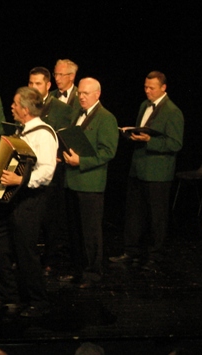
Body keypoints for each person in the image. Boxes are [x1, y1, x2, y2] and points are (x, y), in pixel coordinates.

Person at [0, 87, 57, 317]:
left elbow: (47, 171)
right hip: (11, 199)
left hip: (30, 199)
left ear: (25, 109)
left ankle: (38, 301)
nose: (12, 107)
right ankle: (8, 295)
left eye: (15, 104)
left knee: (25, 251)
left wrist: (20, 180)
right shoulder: (21, 131)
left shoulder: (44, 134)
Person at [110, 71, 184, 271]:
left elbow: (175, 144)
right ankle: (131, 251)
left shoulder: (172, 111)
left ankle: (155, 255)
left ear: (163, 88)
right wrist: (131, 134)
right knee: (134, 213)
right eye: (145, 87)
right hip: (138, 168)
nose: (147, 91)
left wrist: (150, 140)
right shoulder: (144, 105)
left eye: (152, 88)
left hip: (158, 173)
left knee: (156, 216)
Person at [61, 78, 118, 289]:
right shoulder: (77, 113)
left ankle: (92, 273)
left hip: (90, 184)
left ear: (97, 94)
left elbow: (108, 152)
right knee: (75, 231)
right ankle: (78, 270)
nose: (81, 97)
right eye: (80, 93)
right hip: (72, 180)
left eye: (86, 93)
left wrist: (81, 161)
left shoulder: (106, 118)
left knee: (90, 232)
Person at [28, 66, 73, 274]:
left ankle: (50, 259)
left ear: (48, 85)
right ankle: (29, 257)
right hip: (29, 166)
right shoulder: (25, 104)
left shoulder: (60, 108)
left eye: (38, 83)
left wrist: (59, 152)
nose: (34, 87)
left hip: (51, 168)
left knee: (50, 217)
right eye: (31, 83)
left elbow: (65, 134)